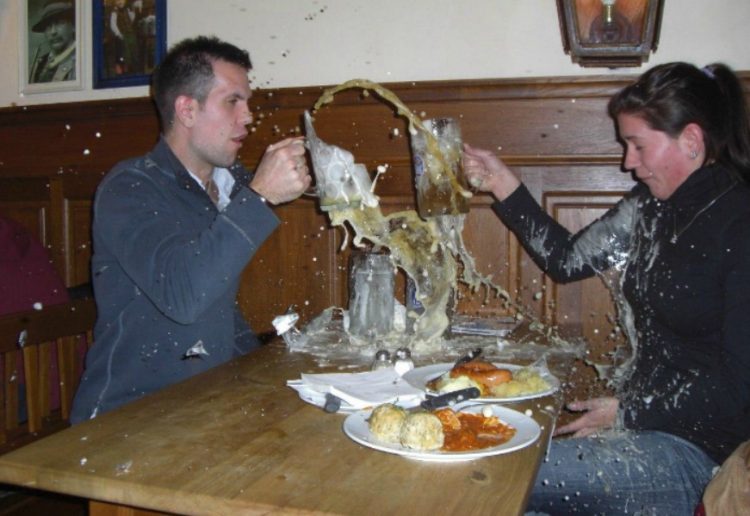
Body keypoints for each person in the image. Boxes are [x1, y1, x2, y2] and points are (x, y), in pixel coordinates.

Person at [463, 62, 750, 514]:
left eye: (637, 145)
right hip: (643, 432)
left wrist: (630, 412)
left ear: (691, 140)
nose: (627, 162)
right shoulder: (650, 207)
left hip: (704, 459)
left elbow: (740, 389)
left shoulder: (739, 223)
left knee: (498, 468)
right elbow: (566, 260)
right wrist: (501, 182)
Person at [70, 36, 311, 423]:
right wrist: (260, 196)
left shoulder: (228, 184)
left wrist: (270, 369)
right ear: (187, 110)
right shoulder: (129, 188)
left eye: (247, 102)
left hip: (204, 404)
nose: (248, 116)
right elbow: (184, 295)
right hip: (128, 417)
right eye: (233, 101)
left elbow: (217, 309)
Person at [28, 0, 76, 83]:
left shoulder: (83, 60)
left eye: (60, 23)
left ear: (73, 26)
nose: (53, 32)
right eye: (48, 26)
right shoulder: (38, 65)